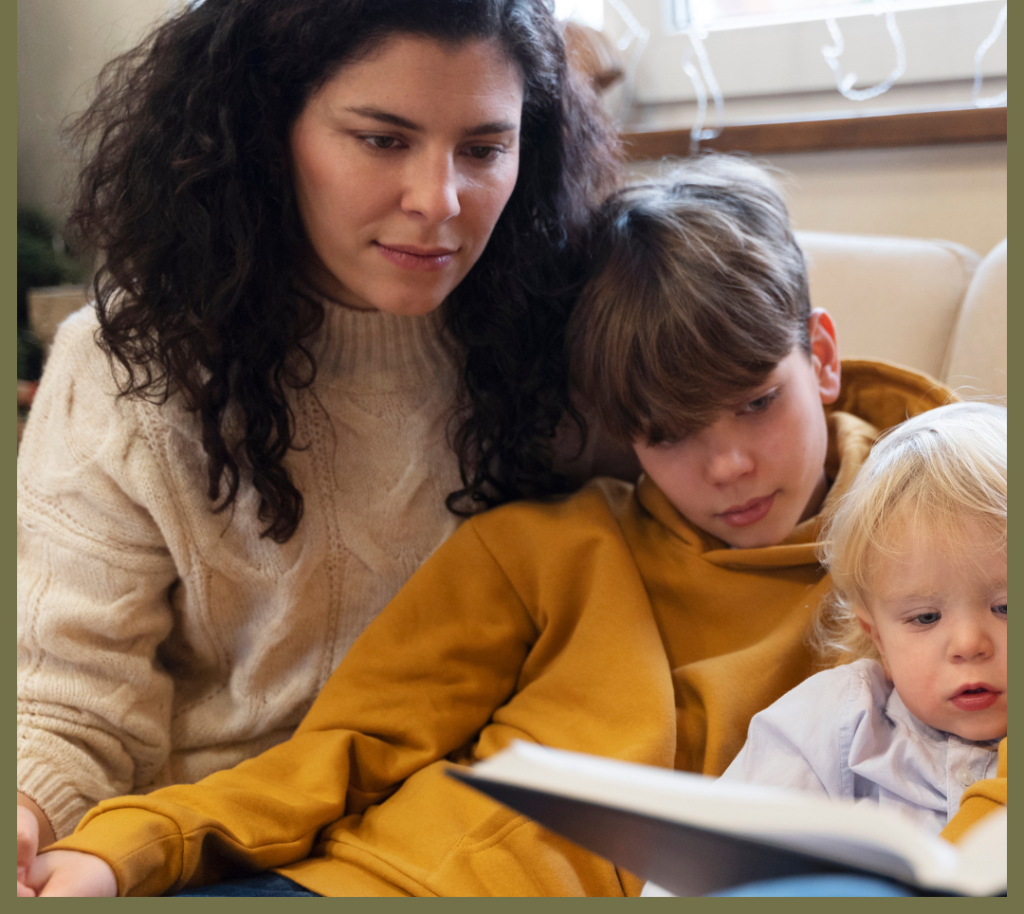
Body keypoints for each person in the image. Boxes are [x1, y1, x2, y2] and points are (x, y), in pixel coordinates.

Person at [23, 156, 992, 897]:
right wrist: (126, 847)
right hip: (365, 880)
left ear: (818, 356)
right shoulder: (544, 546)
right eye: (668, 433)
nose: (727, 465)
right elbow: (343, 749)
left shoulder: (955, 550)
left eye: (752, 403)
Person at [16, 0, 624, 891]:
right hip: (209, 840)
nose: (440, 200)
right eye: (382, 140)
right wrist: (28, 810)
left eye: (483, 148)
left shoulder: (557, 328)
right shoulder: (126, 366)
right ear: (264, 133)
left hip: (462, 835)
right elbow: (70, 699)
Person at [644, 402, 1007, 898]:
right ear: (876, 635)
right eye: (924, 618)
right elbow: (697, 871)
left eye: (1006, 608)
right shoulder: (840, 722)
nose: (968, 644)